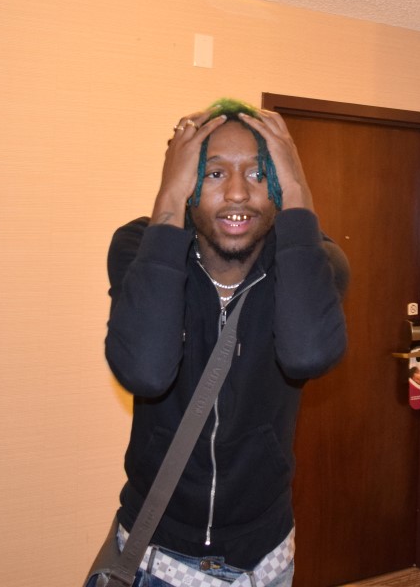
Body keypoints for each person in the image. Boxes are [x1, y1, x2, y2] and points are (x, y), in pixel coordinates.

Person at [102, 98, 349, 587]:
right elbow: (145, 371)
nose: (237, 193)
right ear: (187, 184)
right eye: (214, 174)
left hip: (264, 559)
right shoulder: (141, 247)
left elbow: (309, 354)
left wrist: (298, 193)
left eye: (259, 174)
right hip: (156, 556)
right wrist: (168, 202)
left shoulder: (311, 260)